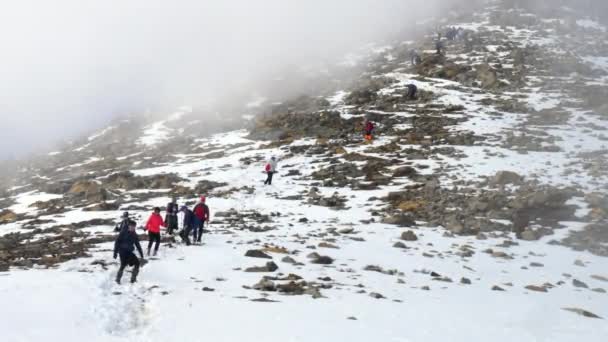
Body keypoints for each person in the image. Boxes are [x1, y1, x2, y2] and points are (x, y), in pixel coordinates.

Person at [114, 220, 145, 284]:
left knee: (137, 263)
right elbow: (117, 242)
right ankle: (117, 279)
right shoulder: (123, 232)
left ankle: (133, 279)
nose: (132, 228)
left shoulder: (134, 235)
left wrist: (141, 253)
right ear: (128, 226)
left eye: (133, 227)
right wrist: (115, 252)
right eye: (131, 226)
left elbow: (137, 244)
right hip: (122, 251)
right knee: (123, 265)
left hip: (129, 252)